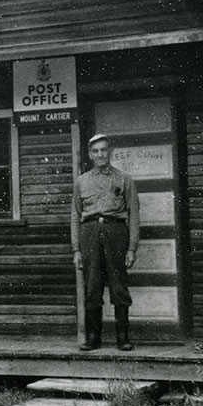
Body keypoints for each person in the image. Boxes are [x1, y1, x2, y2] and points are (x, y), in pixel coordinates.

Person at [70, 133, 139, 351]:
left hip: (116, 231)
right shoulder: (81, 181)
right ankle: (93, 338)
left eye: (103, 150)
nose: (100, 154)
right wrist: (76, 249)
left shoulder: (124, 179)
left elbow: (134, 214)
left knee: (118, 286)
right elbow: (75, 215)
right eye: (95, 151)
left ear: (110, 152)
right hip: (89, 233)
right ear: (90, 154)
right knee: (92, 286)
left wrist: (131, 248)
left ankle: (123, 337)